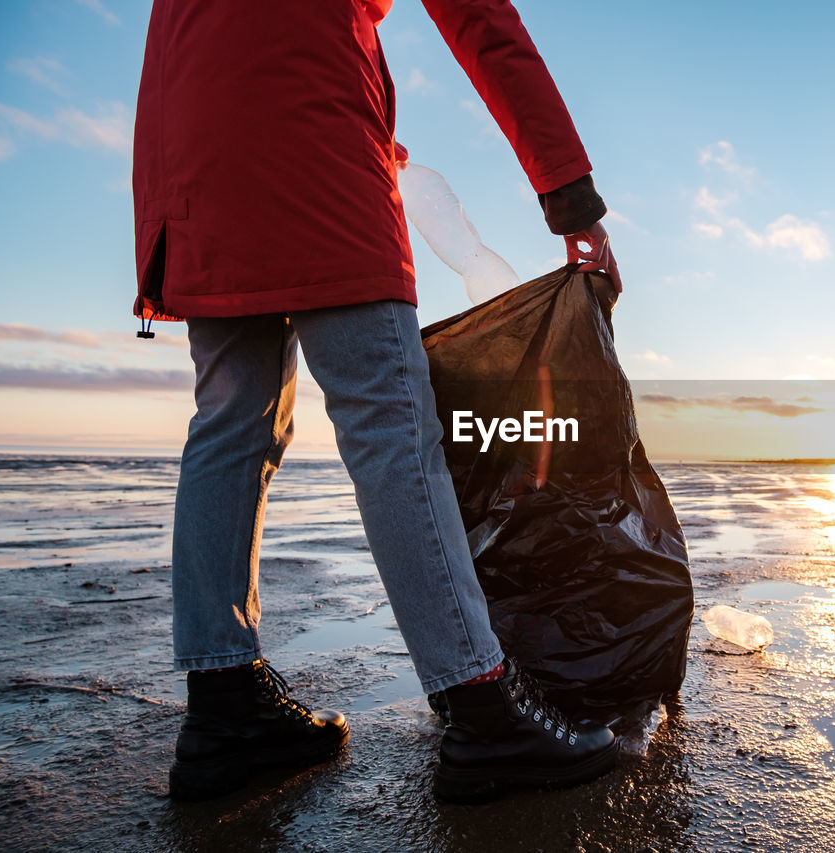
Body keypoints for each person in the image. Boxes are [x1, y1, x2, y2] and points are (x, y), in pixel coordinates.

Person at [131, 0, 622, 803]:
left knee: (228, 420)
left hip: (188, 148)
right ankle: (480, 704)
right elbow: (481, 22)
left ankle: (222, 708)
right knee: (389, 419)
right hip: (313, 147)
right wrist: (570, 196)